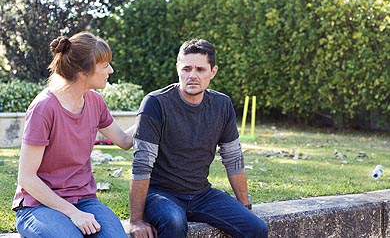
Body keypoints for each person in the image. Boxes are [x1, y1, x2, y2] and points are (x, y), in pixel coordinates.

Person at [129, 39, 268, 238]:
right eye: (186, 68)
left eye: (200, 69)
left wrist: (244, 203)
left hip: (202, 194)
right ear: (178, 68)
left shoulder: (222, 105)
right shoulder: (155, 103)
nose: (192, 75)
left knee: (256, 228)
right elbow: (141, 164)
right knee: (174, 222)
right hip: (161, 195)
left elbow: (233, 158)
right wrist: (136, 220)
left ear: (213, 72)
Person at [12, 32, 134, 238]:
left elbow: (124, 140)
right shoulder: (44, 108)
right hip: (37, 205)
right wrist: (73, 213)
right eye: (105, 66)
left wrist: (153, 110)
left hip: (83, 199)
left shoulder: (95, 102)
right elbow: (26, 177)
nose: (111, 70)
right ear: (83, 71)